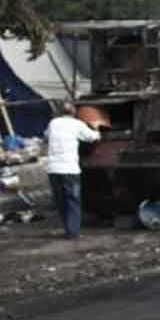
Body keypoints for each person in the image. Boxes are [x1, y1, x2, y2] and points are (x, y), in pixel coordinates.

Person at [43, 100, 99, 240]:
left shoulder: (53, 123)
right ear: (73, 112)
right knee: (73, 201)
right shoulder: (77, 124)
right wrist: (97, 130)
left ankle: (68, 229)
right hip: (70, 169)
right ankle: (73, 233)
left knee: (61, 200)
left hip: (53, 169)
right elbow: (91, 137)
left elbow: (46, 137)